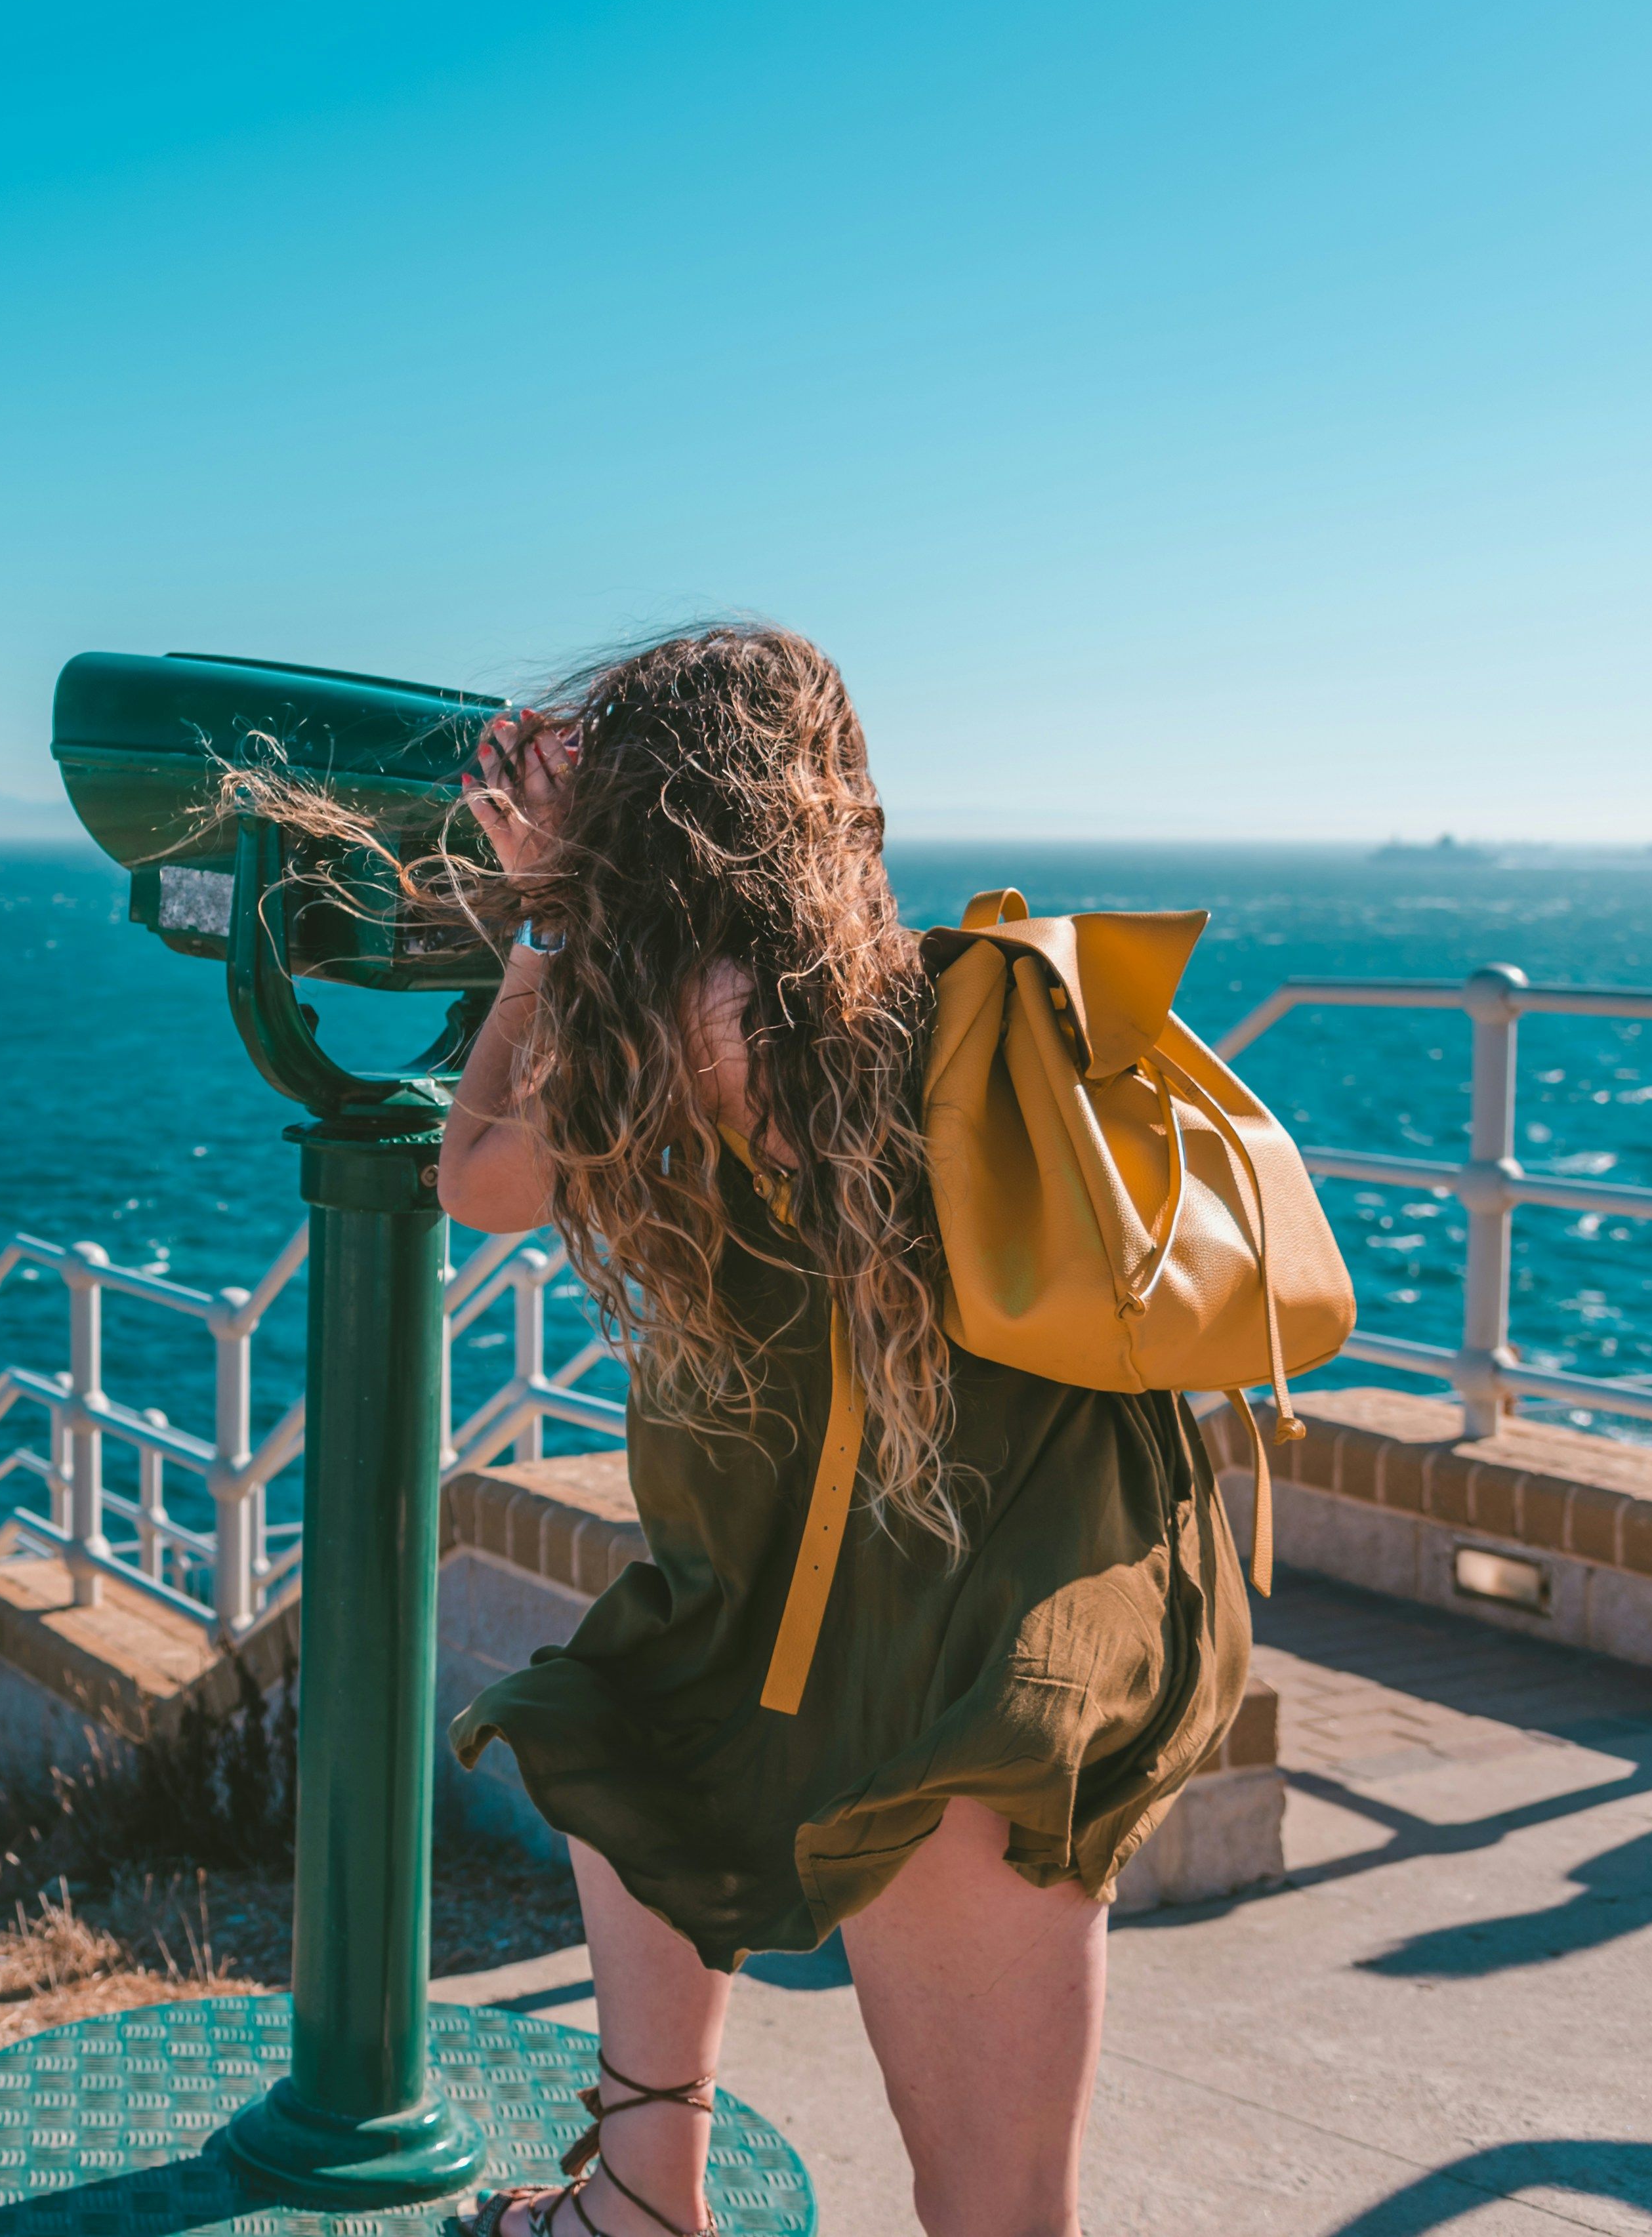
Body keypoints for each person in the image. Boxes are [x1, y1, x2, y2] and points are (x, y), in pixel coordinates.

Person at [429, 625, 1247, 2237]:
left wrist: (540, 910)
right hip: (1019, 1560)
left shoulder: (687, 1014)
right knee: (627, 1725)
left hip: (946, 1632)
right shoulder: (922, 994)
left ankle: (644, 2197)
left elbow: (477, 1178)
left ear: (654, 817)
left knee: (991, 2204)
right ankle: (639, 2199)